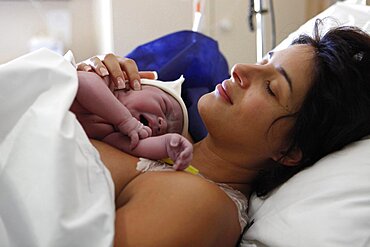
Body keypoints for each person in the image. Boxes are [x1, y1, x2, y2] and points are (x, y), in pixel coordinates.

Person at [78, 21, 370, 246]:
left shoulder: (198, 204)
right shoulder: (166, 128)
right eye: (265, 61)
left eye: (271, 87)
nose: (241, 68)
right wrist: (84, 85)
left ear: (289, 151)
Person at [70, 69, 192, 170]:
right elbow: (82, 82)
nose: (163, 124)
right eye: (165, 108)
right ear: (132, 86)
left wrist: (166, 145)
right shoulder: (107, 82)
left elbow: (133, 147)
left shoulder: (109, 134)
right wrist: (126, 120)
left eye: (166, 132)